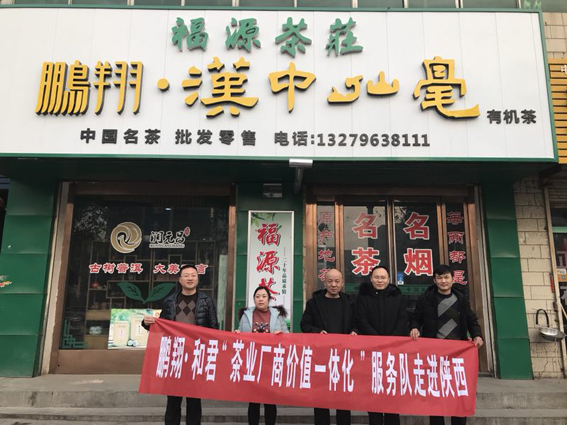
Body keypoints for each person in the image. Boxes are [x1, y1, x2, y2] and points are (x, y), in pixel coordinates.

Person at [143, 264, 218, 425]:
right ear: (180, 279)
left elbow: (214, 329)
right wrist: (146, 323)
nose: (190, 278)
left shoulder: (206, 301)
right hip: (174, 356)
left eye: (193, 275)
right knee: (173, 400)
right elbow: (161, 326)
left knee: (194, 401)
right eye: (186, 275)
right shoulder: (170, 301)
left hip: (196, 356)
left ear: (197, 278)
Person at [410, 264, 483, 425]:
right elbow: (416, 318)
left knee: (458, 394)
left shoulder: (461, 299)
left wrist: (477, 335)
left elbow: (471, 320)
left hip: (457, 355)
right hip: (434, 355)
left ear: (453, 279)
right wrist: (414, 327)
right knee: (436, 395)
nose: (443, 281)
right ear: (434, 280)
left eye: (446, 277)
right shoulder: (426, 299)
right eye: (439, 278)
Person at [300, 268, 357, 425]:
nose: (333, 285)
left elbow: (357, 323)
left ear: (342, 283)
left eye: (337, 281)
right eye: (330, 281)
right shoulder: (314, 303)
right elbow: (304, 324)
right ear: (324, 282)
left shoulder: (350, 303)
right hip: (321, 358)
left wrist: (355, 331)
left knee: (343, 400)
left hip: (344, 358)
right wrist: (317, 331)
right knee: (321, 400)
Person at [356, 265, 408, 425]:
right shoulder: (363, 297)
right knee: (374, 395)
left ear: (388, 279)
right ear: (371, 279)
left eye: (383, 277)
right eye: (377, 277)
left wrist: (391, 340)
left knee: (392, 394)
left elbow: (403, 320)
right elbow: (361, 320)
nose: (380, 280)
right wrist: (376, 340)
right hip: (371, 353)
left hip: (394, 351)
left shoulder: (397, 297)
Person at [235, 285, 289, 425]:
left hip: (270, 363)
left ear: (269, 299)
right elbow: (240, 334)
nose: (260, 299)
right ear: (254, 299)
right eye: (257, 296)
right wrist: (237, 334)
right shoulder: (246, 315)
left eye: (264, 296)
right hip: (252, 362)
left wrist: (281, 335)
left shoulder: (277, 315)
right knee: (253, 401)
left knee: (270, 400)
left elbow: (287, 336)